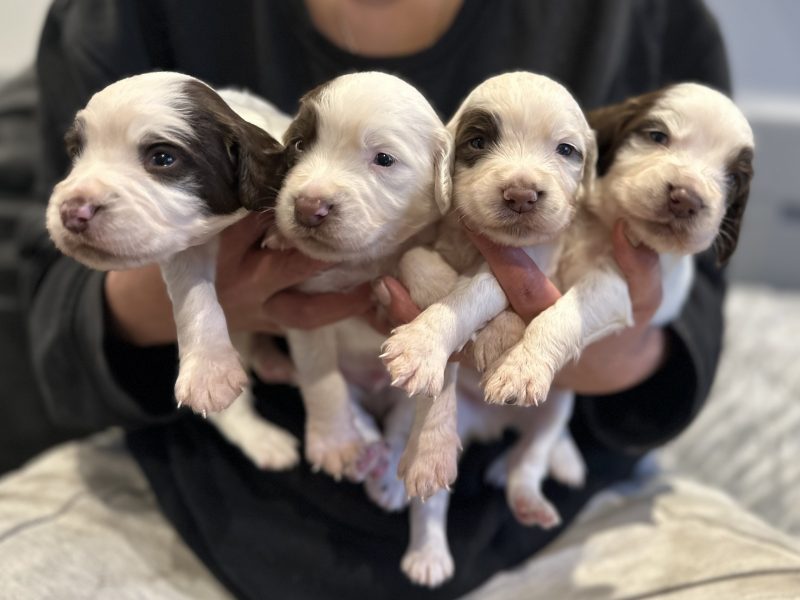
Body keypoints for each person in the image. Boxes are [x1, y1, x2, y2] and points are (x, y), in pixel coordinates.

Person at [14, 0, 731, 598]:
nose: (317, 192)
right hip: (208, 487)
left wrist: (577, 344)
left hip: (567, 512)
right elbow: (48, 311)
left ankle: (530, 459)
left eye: (384, 160)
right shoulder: (115, 17)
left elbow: (681, 343)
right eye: (299, 151)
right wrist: (203, 298)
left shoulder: (653, 21)